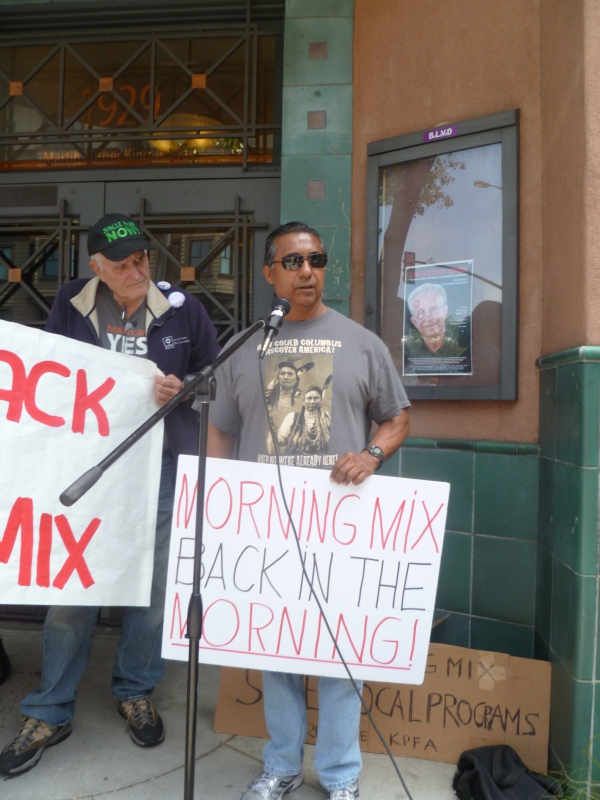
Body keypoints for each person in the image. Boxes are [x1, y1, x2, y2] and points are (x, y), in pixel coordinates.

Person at [0, 213, 219, 777]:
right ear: (96, 267)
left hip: (163, 465)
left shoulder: (182, 309)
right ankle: (50, 708)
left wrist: (187, 391)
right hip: (90, 469)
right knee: (74, 587)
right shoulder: (71, 303)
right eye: (122, 264)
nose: (136, 270)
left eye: (143, 258)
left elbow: (214, 375)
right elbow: (51, 372)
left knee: (153, 586)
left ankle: (135, 689)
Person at [207, 221, 410, 800]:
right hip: (266, 531)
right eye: (292, 262)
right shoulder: (243, 348)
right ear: (270, 273)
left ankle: (341, 775)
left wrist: (372, 453)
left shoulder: (362, 344)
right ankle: (281, 766)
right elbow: (220, 432)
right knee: (277, 655)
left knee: (342, 657)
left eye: (315, 260)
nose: (306, 271)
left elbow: (397, 419)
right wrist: (220, 506)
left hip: (340, 529)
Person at [278, 383, 330, 455]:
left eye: (316, 398)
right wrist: (276, 440)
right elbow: (281, 441)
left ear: (320, 400)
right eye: (309, 398)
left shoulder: (326, 419)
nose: (312, 402)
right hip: (295, 463)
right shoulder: (292, 417)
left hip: (320, 462)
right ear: (303, 402)